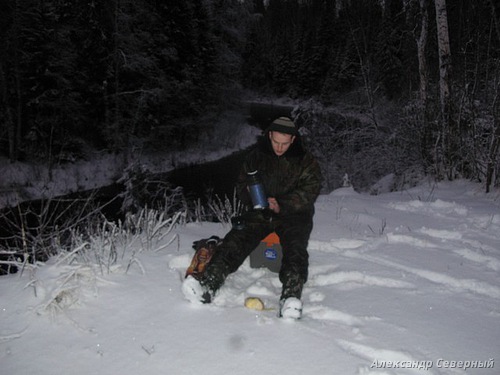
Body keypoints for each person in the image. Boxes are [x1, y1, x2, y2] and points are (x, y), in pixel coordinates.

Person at [182, 116, 322, 319]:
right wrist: (252, 196)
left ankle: (291, 298)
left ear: (292, 140)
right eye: (276, 142)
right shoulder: (255, 157)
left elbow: (311, 191)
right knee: (235, 240)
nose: (280, 148)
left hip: (294, 214)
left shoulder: (306, 161)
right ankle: (209, 285)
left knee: (295, 249)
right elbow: (241, 185)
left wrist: (282, 204)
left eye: (285, 143)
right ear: (270, 135)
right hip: (260, 211)